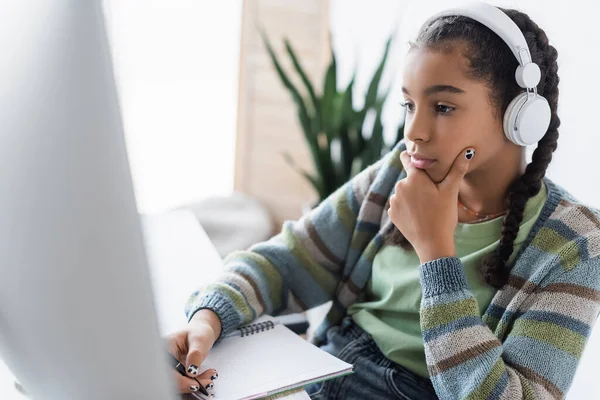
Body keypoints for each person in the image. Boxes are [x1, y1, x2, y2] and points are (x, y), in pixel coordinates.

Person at [167, 3, 600, 399]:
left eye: (443, 107)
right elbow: (287, 262)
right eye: (410, 105)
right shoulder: (399, 170)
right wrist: (210, 316)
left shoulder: (575, 244)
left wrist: (436, 253)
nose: (415, 131)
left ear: (520, 115)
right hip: (328, 370)